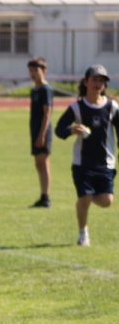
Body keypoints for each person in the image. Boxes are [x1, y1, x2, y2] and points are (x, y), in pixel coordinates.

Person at [54, 65, 118, 247]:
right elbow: (59, 129)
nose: (98, 84)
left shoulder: (112, 107)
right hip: (82, 162)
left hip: (106, 162)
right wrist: (72, 129)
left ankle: (88, 196)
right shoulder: (76, 107)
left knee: (107, 201)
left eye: (102, 80)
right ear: (86, 82)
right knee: (85, 197)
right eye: (95, 79)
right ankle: (83, 233)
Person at [28, 57, 55, 208]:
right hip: (35, 131)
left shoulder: (46, 90)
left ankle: (46, 197)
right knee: (38, 163)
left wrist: (42, 134)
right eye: (31, 71)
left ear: (44, 71)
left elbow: (47, 113)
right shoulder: (34, 90)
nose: (33, 74)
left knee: (44, 163)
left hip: (42, 132)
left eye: (35, 70)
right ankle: (43, 194)